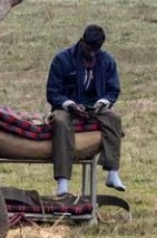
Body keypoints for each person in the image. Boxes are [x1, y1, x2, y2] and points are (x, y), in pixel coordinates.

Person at [46, 24, 125, 197]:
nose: (91, 54)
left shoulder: (107, 61)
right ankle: (63, 181)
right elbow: (53, 93)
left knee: (114, 118)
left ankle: (112, 172)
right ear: (82, 42)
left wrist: (102, 103)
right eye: (89, 49)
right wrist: (70, 105)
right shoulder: (62, 60)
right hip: (66, 107)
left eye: (96, 50)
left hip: (94, 107)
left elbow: (113, 91)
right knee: (59, 121)